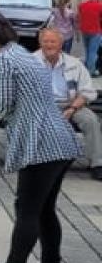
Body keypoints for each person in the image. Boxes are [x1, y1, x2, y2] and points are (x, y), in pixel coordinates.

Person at [0, 10, 84, 263]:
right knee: (44, 208)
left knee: (27, 207)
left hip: (40, 142)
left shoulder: (3, 61)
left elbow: (3, 106)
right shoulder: (21, 53)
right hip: (60, 139)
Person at [34, 27, 101, 180]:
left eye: (53, 41)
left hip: (71, 103)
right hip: (41, 104)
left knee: (90, 120)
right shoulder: (31, 62)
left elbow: (87, 91)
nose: (49, 45)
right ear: (40, 43)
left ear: (60, 44)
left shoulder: (74, 64)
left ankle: (97, 164)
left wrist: (72, 108)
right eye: (46, 41)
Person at [79, 0, 102, 75]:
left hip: (84, 30)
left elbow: (81, 15)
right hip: (95, 31)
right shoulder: (99, 5)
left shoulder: (81, 5)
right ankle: (90, 71)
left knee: (87, 50)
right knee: (93, 52)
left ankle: (86, 69)